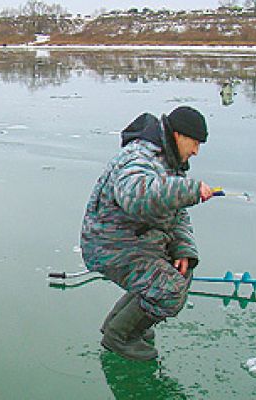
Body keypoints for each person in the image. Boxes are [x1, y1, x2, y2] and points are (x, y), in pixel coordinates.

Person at [80, 106, 213, 361]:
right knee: (170, 289)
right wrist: (188, 190)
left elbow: (177, 213)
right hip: (111, 244)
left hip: (137, 239)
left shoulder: (171, 161)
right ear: (177, 136)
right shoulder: (140, 156)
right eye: (194, 143)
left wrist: (183, 248)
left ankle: (121, 324)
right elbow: (134, 195)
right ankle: (119, 337)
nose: (196, 151)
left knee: (180, 273)